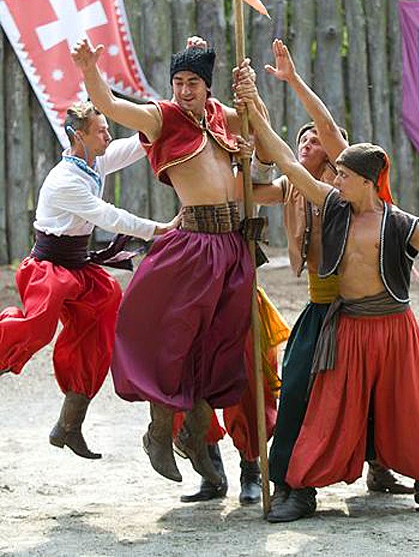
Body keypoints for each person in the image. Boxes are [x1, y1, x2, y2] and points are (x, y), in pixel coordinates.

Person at [241, 75, 419, 521]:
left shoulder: (402, 222)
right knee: (331, 411)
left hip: (396, 328)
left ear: (367, 181)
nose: (334, 179)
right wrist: (253, 104)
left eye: (343, 174)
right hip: (348, 326)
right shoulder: (332, 204)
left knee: (409, 409)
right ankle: (302, 490)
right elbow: (287, 163)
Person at [71, 36, 268, 486]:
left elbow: (260, 132)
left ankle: (196, 437)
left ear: (207, 85)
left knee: (217, 348)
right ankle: (161, 432)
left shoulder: (223, 117)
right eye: (178, 81)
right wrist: (88, 70)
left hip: (233, 245)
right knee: (172, 341)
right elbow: (111, 104)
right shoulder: (163, 117)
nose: (184, 90)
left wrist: (252, 95)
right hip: (193, 244)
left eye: (193, 82)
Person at [236, 39, 412, 507]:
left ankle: (382, 466)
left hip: (361, 306)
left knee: (377, 392)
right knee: (297, 386)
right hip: (321, 305)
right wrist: (251, 114)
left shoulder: (345, 186)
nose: (310, 142)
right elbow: (253, 182)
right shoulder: (294, 188)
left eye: (317, 140)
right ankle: (294, 481)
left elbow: (330, 127)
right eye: (304, 139)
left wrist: (292, 81)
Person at [0, 101, 176, 459]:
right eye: (100, 130)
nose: (108, 135)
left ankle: (69, 424)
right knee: (36, 329)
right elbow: (108, 216)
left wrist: (158, 124)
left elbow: (132, 147)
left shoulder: (95, 161)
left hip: (79, 266)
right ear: (78, 137)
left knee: (103, 312)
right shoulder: (65, 180)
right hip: (47, 269)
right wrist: (159, 228)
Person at [173, 286, 290, 505]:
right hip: (191, 296)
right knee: (190, 383)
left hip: (234, 293)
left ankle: (251, 471)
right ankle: (211, 474)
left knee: (244, 383)